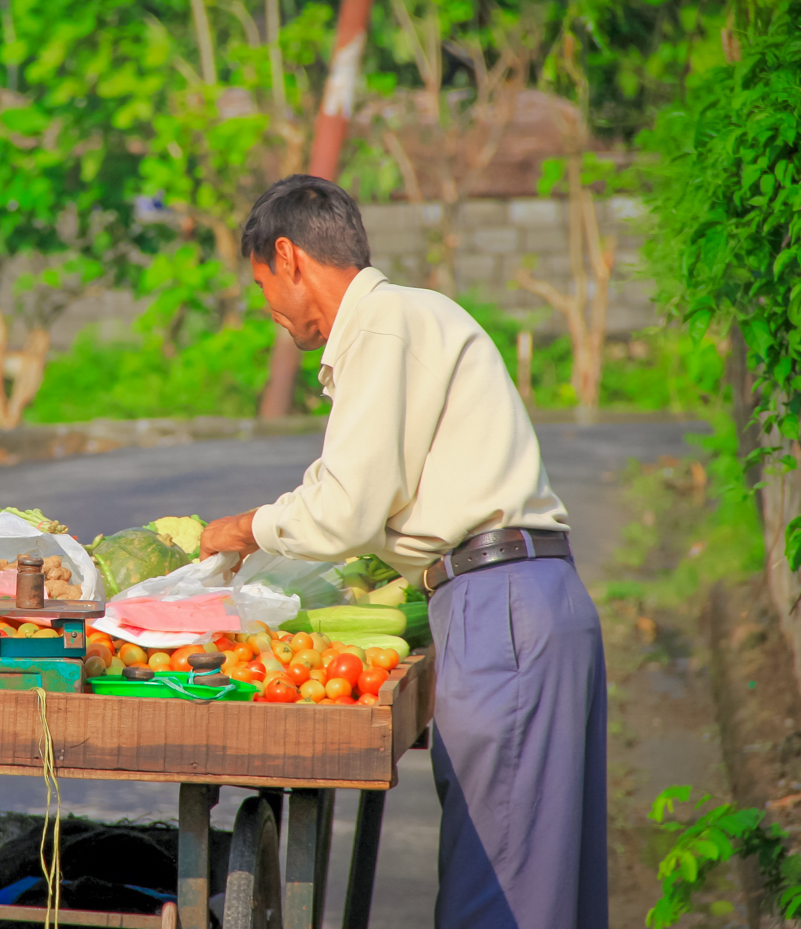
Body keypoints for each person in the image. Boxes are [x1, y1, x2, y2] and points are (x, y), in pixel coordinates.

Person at [200, 175, 607, 929]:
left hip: (503, 606)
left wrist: (238, 530)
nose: (267, 309)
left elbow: (345, 509)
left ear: (289, 258)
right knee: (543, 886)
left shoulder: (384, 327)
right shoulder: (407, 320)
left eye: (262, 285)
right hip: (515, 602)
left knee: (503, 893)